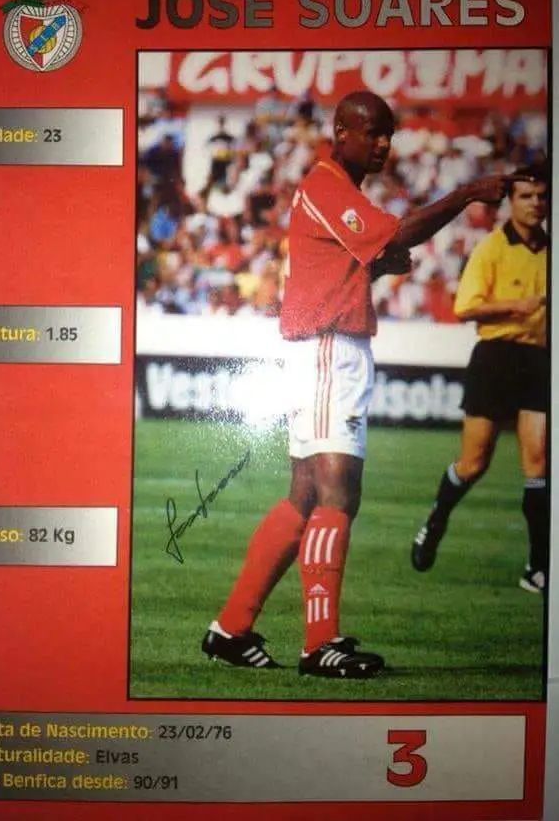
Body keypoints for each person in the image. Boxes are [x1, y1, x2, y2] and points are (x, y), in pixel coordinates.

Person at [202, 90, 506, 678]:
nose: (384, 145)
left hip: (324, 350)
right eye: (373, 133)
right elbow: (398, 235)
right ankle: (319, 645)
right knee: (337, 494)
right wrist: (467, 193)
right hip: (328, 351)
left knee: (304, 497)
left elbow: (351, 261)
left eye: (389, 134)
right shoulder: (327, 186)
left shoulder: (334, 189)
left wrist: (375, 266)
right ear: (342, 132)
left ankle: (231, 628)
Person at [411, 164, 549, 594]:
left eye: (542, 196)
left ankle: (536, 567)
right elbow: (465, 308)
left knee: (538, 462)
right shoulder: (492, 248)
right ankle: (437, 519)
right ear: (510, 202)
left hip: (539, 359)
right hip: (496, 356)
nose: (536, 203)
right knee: (473, 463)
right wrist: (517, 306)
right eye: (526, 196)